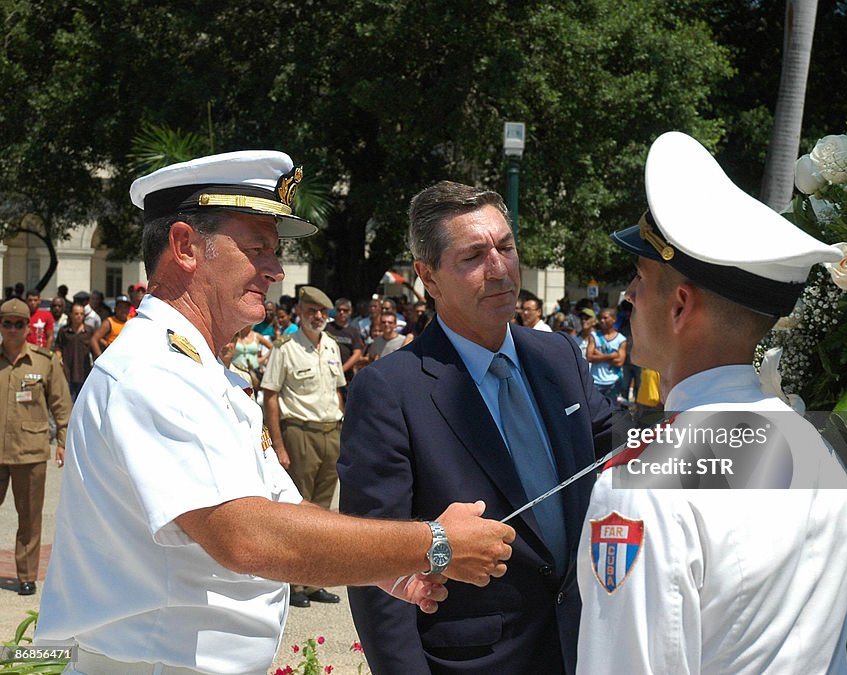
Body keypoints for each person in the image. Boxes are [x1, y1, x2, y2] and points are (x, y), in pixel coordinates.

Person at [35, 151, 514, 674]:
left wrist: (386, 566)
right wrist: (432, 543)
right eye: (257, 248)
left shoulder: (203, 373)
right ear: (185, 246)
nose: (276, 269)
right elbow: (246, 534)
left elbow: (284, 508)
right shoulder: (152, 373)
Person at [576, 131, 847, 673]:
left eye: (639, 279)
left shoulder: (643, 485)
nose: (628, 298)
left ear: (681, 306)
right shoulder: (819, 453)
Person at [339, 180, 623, 674]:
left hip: (584, 646)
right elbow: (373, 565)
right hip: (474, 659)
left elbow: (616, 447)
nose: (499, 269)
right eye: (473, 256)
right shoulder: (390, 390)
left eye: (506, 248)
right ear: (428, 276)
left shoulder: (558, 357)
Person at [261, 285, 346, 609]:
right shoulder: (286, 348)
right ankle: (294, 583)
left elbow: (338, 390)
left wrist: (341, 424)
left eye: (323, 312)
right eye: (312, 312)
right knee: (300, 508)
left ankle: (313, 582)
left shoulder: (332, 347)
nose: (319, 317)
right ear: (301, 312)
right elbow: (271, 395)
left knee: (322, 511)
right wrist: (278, 444)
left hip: (330, 432)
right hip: (300, 432)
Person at [0, 298, 72, 596]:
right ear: (1, 326)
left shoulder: (44, 362)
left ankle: (26, 575)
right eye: (7, 323)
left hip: (30, 452)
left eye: (19, 324)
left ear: (28, 327)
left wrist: (63, 443)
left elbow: (62, 406)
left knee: (29, 518)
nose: (13, 329)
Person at [54, 303, 94, 401]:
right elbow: (58, 346)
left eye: (81, 314)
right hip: (68, 372)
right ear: (71, 315)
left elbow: (95, 349)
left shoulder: (89, 331)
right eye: (76, 314)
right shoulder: (64, 331)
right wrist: (59, 358)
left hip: (84, 372)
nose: (79, 316)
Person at [586, 307, 627, 403]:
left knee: (611, 409)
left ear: (614, 319)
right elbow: (589, 357)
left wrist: (598, 354)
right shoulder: (594, 336)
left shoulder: (621, 339)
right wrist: (611, 356)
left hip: (613, 382)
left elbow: (620, 362)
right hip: (596, 381)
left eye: (605, 318)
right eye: (600, 318)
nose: (602, 321)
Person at [324, 296, 365, 392]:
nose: (342, 313)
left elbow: (357, 353)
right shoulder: (326, 328)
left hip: (346, 377)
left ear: (350, 312)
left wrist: (341, 370)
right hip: (327, 374)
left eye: (345, 310)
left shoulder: (353, 331)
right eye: (339, 310)